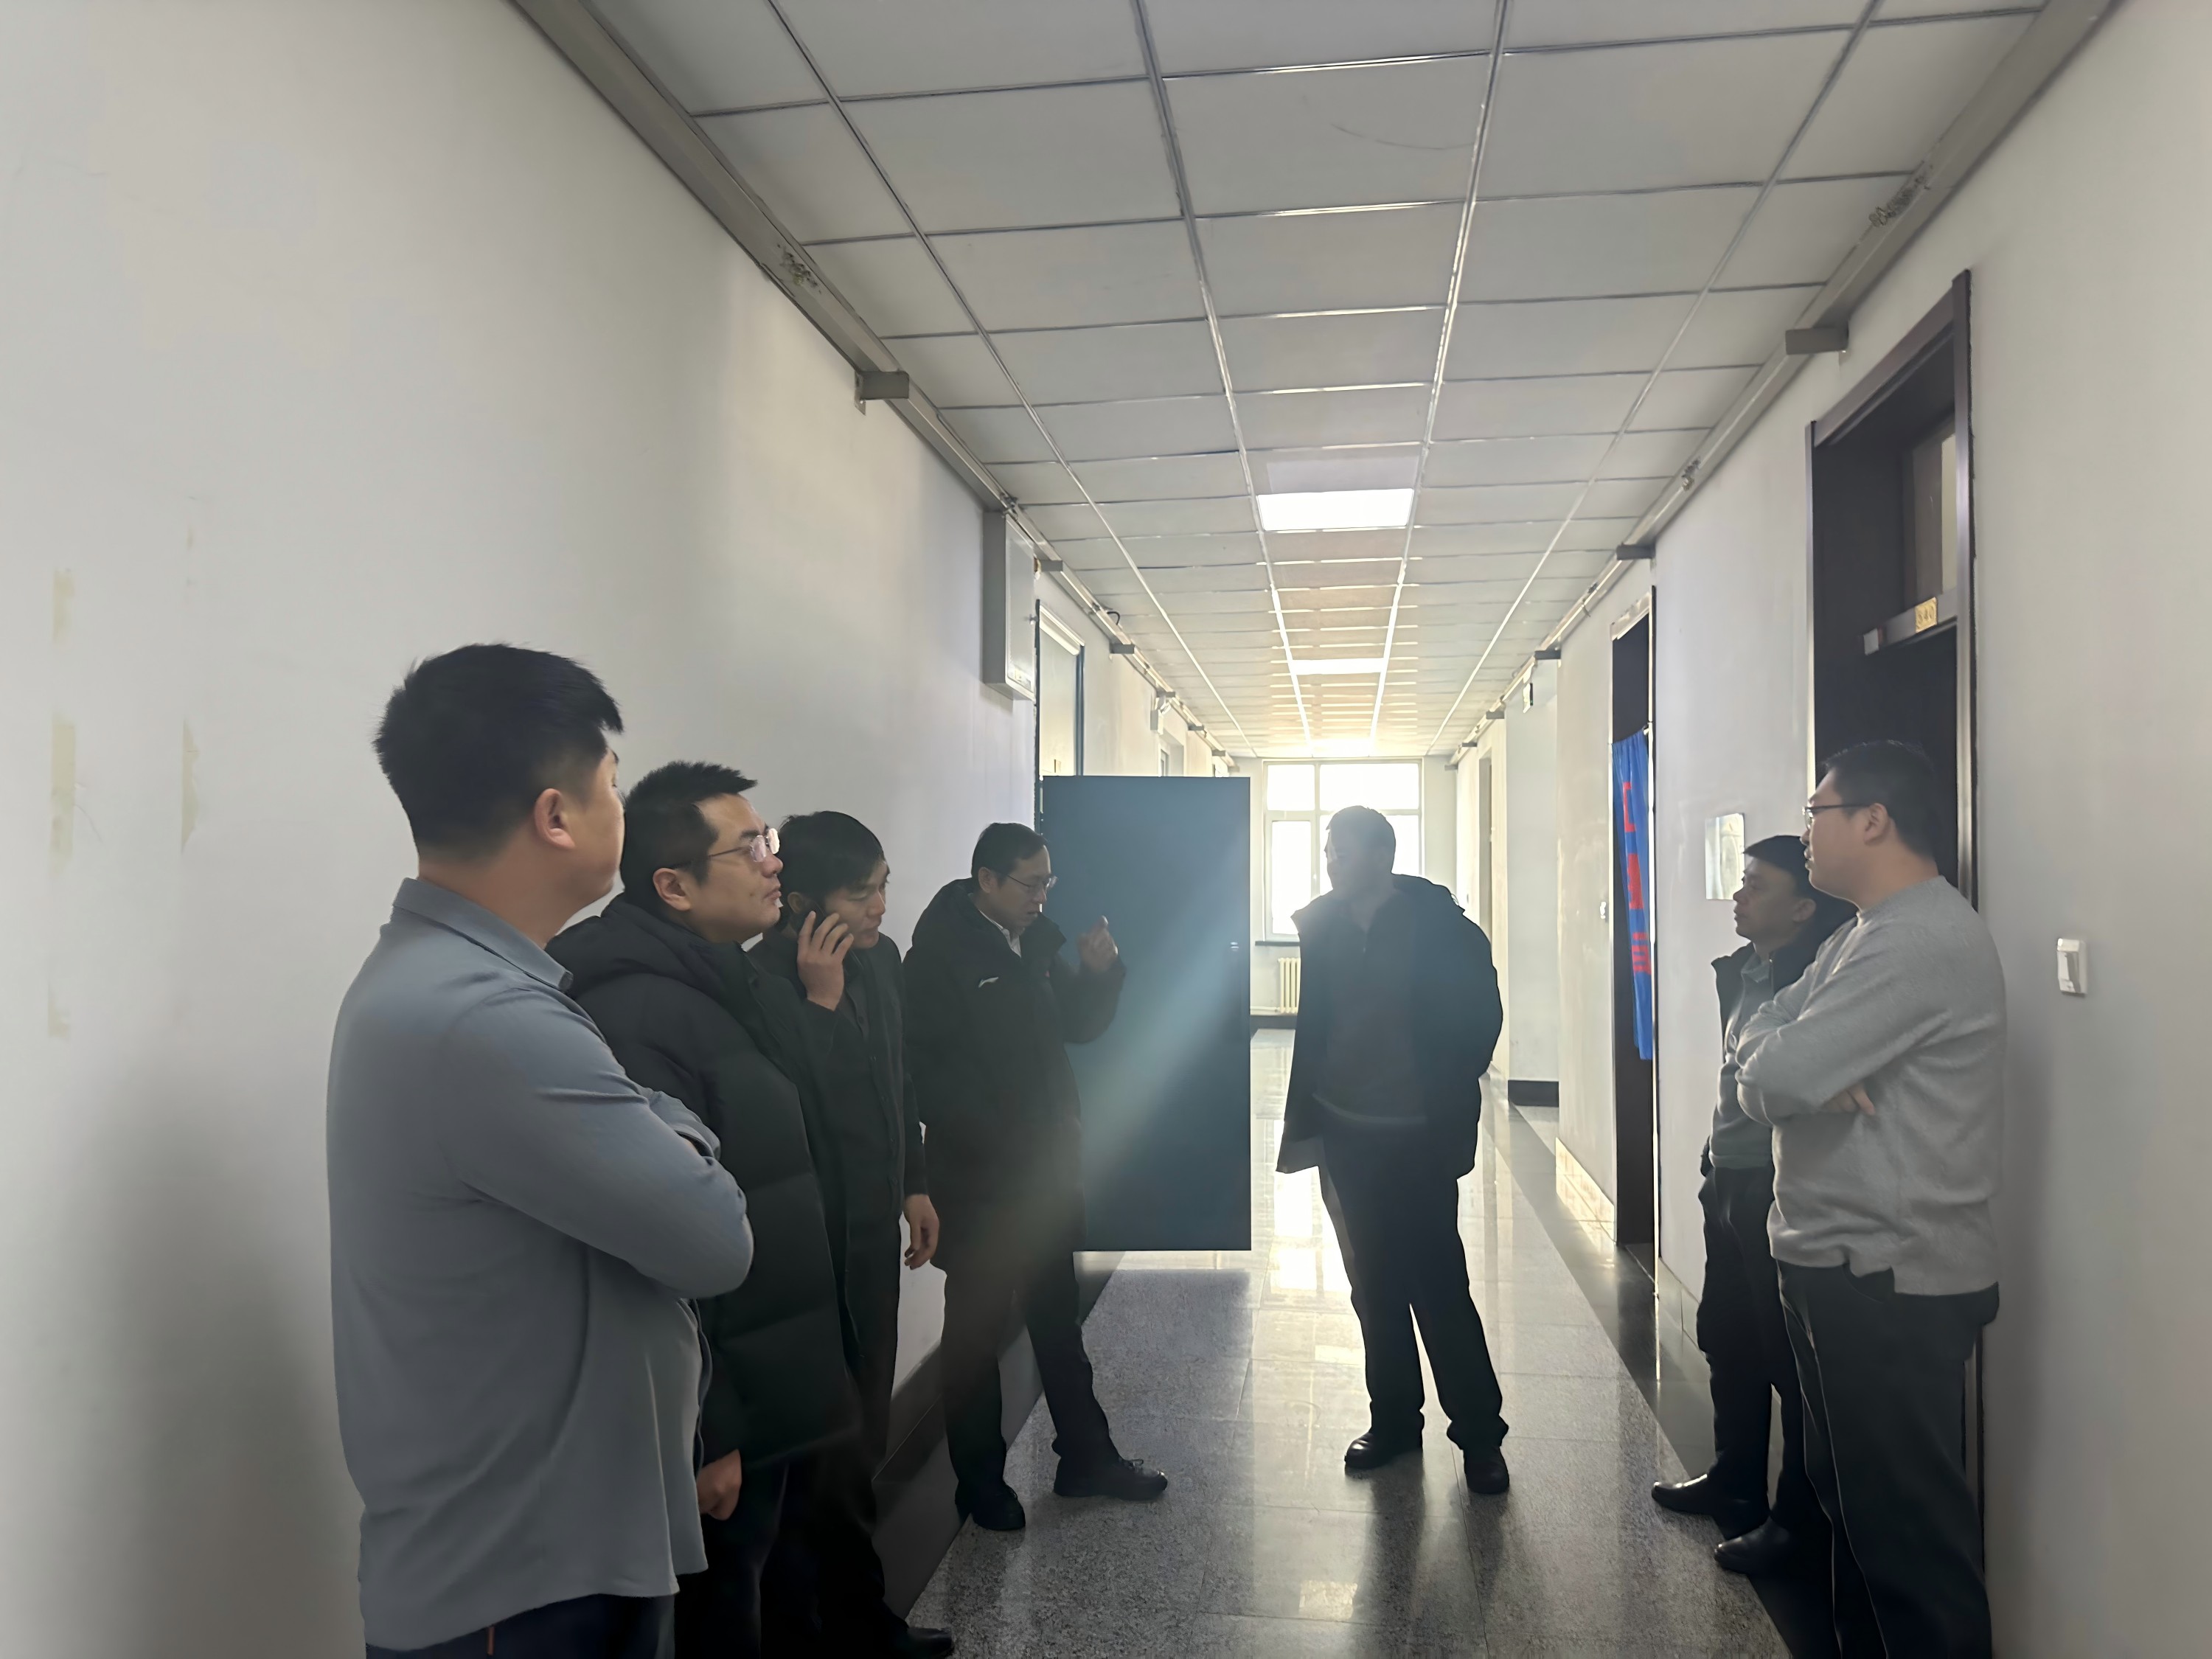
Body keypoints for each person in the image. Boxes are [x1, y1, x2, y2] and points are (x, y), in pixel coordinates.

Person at [329, 645, 755, 1659]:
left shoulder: (458, 983)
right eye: (612, 785)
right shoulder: (483, 1017)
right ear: (557, 815)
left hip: (543, 1555)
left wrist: (646, 1114)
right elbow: (715, 1239)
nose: (620, 808)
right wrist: (679, 1124)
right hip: (520, 1589)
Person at [547, 764, 935, 1658]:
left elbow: (814, 1128)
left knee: (778, 1573)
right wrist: (712, 1428)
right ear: (674, 886)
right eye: (752, 847)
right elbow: (657, 1242)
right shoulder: (639, 1011)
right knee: (727, 1604)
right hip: (733, 1392)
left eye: (771, 842)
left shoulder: (729, 982)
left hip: (781, 1359)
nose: (773, 863)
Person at [1737, 741, 2006, 1658]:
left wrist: (1796, 1071)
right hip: (1838, 1263)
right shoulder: (1861, 933)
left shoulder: (1918, 939)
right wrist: (1794, 1069)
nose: (1806, 830)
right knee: (1856, 1525)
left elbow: (1778, 1073)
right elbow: (1758, 1045)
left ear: (1873, 820)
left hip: (1889, 1277)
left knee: (1909, 1548)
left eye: (1816, 812)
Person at [905, 822, 1167, 1531]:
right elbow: (924, 1074)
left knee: (1057, 1321)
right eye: (1030, 883)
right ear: (987, 880)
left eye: (1048, 882)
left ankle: (1087, 1459)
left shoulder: (1039, 944)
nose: (1042, 897)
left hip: (1047, 1175)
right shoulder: (940, 956)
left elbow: (1076, 1027)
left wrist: (1100, 973)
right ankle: (980, 1483)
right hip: (982, 1184)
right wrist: (999, 1138)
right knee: (974, 1337)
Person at [748, 811, 951, 1657]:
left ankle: (859, 1619)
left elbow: (897, 1081)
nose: (879, 907)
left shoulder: (883, 961)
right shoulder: (762, 981)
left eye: (883, 887)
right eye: (860, 893)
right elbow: (798, 1116)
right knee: (816, 1452)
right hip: (807, 1251)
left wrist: (914, 1182)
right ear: (802, 903)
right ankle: (812, 1629)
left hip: (872, 1236)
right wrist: (822, 1005)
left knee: (863, 1430)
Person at [1279, 806, 1511, 1496]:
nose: (1331, 863)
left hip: (1417, 1134)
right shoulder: (1322, 928)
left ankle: (1479, 1436)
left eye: (1343, 852)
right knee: (1373, 1285)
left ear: (1382, 854)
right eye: (1328, 852)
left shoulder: (1442, 929)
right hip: (1348, 1132)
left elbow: (1482, 1018)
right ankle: (1393, 1424)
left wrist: (1442, 1084)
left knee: (1439, 1285)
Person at [1652, 835, 1854, 1574]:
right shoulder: (1740, 970)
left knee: (1787, 1357)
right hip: (1729, 1176)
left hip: (1780, 1182)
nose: (1738, 897)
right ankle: (1734, 1476)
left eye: (1756, 885)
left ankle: (1798, 1521)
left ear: (1801, 908)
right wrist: (1713, 1158)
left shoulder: (1823, 977)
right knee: (1727, 1335)